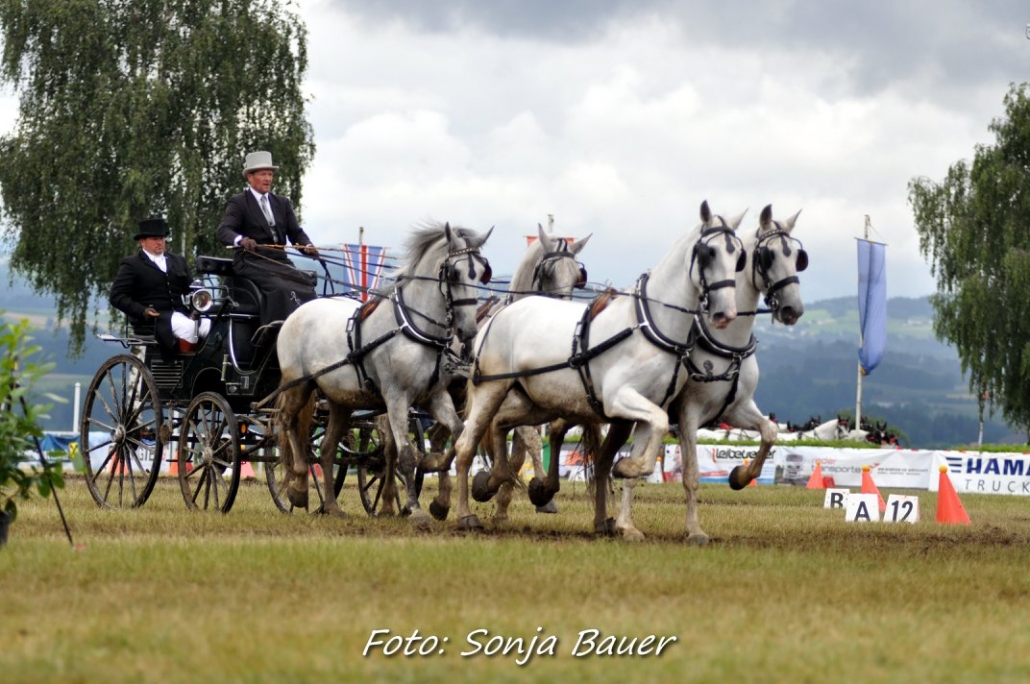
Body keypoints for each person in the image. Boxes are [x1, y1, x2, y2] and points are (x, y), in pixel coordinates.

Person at [216, 150, 318, 333]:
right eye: (263, 174)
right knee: (280, 288)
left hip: (279, 262)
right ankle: (271, 334)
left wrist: (308, 246)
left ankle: (307, 333)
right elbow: (224, 230)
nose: (268, 178)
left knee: (307, 285)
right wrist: (241, 240)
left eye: (270, 174)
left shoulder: (282, 203)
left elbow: (296, 233)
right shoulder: (239, 202)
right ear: (250, 177)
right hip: (251, 261)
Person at [110, 217, 211, 355]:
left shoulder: (178, 261)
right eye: (155, 239)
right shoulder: (132, 265)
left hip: (182, 314)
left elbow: (191, 289)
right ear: (142, 241)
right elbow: (116, 296)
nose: (160, 242)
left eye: (162, 238)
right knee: (190, 329)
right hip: (154, 320)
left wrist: (196, 308)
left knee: (209, 325)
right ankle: (187, 369)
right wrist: (142, 311)